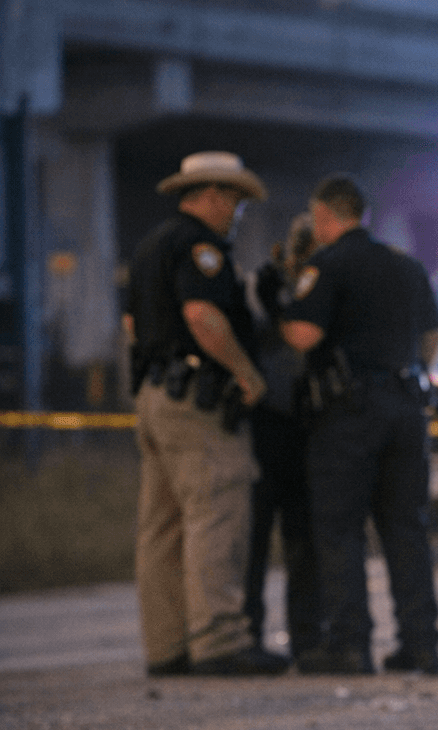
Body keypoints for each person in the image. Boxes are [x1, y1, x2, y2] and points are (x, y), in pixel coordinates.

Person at [124, 151, 289, 676]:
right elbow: (202, 314)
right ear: (212, 195)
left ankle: (167, 646)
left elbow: (132, 325)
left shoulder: (150, 246)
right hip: (198, 401)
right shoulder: (202, 248)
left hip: (155, 396)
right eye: (234, 200)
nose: (237, 211)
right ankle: (219, 639)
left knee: (162, 526)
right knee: (217, 513)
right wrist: (246, 372)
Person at [281, 174, 438, 675]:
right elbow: (431, 335)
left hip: (349, 415)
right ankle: (421, 644)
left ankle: (350, 645)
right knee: (406, 530)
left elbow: (305, 336)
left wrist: (283, 310)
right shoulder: (405, 265)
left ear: (324, 216)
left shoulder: (326, 265)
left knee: (340, 531)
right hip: (405, 407)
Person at [244, 214, 323, 662]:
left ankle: (304, 637)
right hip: (271, 423)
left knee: (299, 540)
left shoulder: (309, 287)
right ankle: (270, 635)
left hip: (294, 425)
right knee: (265, 539)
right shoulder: (265, 288)